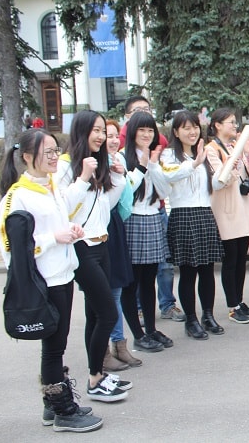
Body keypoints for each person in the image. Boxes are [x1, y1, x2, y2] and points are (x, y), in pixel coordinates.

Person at [0, 129, 103, 432]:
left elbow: (57, 220)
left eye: (57, 151)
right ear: (28, 157)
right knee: (54, 348)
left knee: (56, 344)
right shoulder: (17, 196)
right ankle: (62, 411)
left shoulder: (51, 186)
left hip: (62, 274)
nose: (55, 158)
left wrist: (69, 230)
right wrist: (53, 238)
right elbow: (11, 246)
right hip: (43, 280)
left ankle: (52, 405)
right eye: (48, 153)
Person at [55, 110, 130, 402]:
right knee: (109, 312)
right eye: (96, 131)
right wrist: (84, 177)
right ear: (82, 132)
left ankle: (96, 372)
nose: (101, 137)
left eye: (103, 131)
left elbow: (103, 208)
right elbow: (62, 207)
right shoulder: (65, 166)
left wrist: (118, 179)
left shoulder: (98, 163)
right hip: (81, 247)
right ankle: (94, 379)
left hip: (101, 243)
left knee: (94, 313)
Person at [119, 96, 184, 324]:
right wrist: (142, 166)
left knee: (154, 274)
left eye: (150, 130)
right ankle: (137, 327)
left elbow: (164, 191)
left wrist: (153, 165)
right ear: (131, 130)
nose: (146, 135)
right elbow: (125, 193)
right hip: (133, 220)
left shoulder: (157, 157)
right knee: (135, 278)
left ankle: (153, 325)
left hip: (154, 217)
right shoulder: (121, 158)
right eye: (141, 130)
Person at [160, 110, 225, 339]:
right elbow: (169, 177)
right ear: (176, 132)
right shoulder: (169, 156)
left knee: (208, 270)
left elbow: (214, 185)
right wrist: (195, 163)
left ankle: (208, 315)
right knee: (188, 273)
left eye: (195, 127)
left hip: (205, 213)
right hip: (183, 215)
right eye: (186, 128)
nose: (192, 131)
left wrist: (226, 170)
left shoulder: (205, 153)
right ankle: (191, 320)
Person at [205, 108, 249, 324]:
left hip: (243, 208)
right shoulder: (212, 150)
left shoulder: (232, 146)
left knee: (241, 259)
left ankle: (239, 300)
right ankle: (232, 305)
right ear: (217, 125)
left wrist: (247, 154)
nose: (234, 125)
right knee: (231, 260)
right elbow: (221, 179)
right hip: (227, 210)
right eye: (230, 122)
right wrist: (234, 158)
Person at [104, 119, 146, 366]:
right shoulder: (91, 166)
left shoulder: (116, 162)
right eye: (102, 133)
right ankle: (103, 352)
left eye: (111, 135)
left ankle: (119, 345)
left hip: (116, 224)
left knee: (117, 289)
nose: (109, 139)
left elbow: (125, 193)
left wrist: (127, 175)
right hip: (99, 230)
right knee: (103, 294)